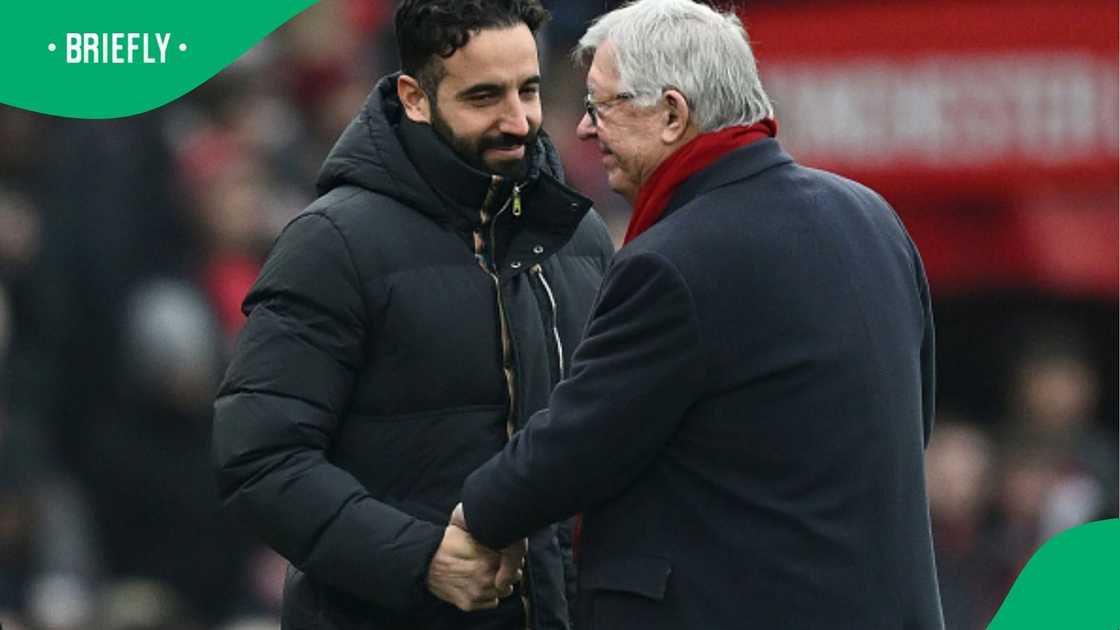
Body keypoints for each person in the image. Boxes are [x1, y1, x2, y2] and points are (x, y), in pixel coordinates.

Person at [455, 1, 945, 628]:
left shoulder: (671, 260)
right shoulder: (872, 216)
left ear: (671, 114)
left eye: (600, 106)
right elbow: (911, 420)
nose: (581, 128)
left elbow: (581, 445)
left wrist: (475, 515)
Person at [211, 0, 614, 628]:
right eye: (484, 97)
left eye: (528, 90)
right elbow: (258, 460)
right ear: (414, 96)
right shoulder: (331, 244)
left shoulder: (581, 238)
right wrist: (419, 557)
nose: (518, 120)